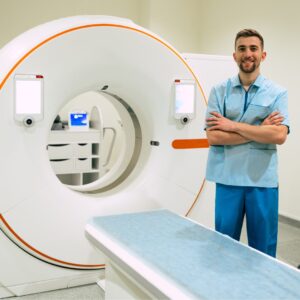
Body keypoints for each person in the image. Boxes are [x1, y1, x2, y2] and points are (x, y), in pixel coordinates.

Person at [205, 29, 290, 257]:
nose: (248, 53)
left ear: (263, 55)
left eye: (253, 48)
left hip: (262, 181)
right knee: (223, 244)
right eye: (242, 48)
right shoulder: (219, 91)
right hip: (227, 178)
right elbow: (213, 136)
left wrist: (233, 125)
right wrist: (261, 129)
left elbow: (279, 136)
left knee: (263, 248)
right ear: (234, 55)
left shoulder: (278, 93)